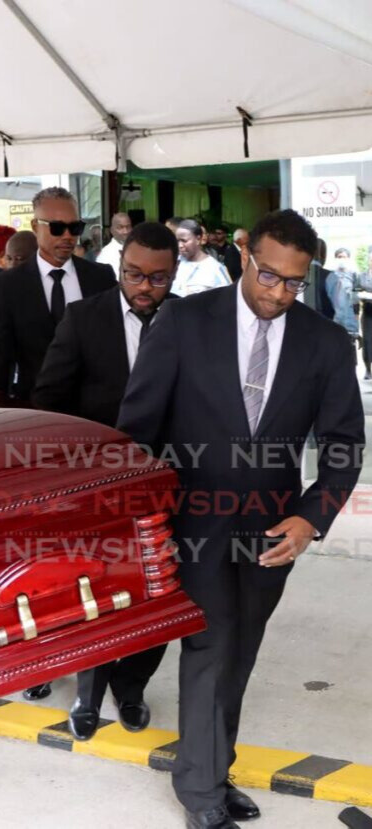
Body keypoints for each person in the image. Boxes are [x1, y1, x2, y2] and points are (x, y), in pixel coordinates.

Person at [118, 209, 364, 829]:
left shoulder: (326, 342)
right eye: (268, 276)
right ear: (246, 253)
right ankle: (200, 792)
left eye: (293, 283)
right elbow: (138, 429)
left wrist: (312, 519)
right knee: (210, 643)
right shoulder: (183, 320)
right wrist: (138, 523)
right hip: (190, 520)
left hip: (273, 527)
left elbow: (342, 446)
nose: (278, 293)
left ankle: (213, 768)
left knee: (241, 651)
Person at [34, 222, 180, 738]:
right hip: (96, 486)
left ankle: (133, 685)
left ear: (175, 272)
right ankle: (89, 696)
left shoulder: (191, 322)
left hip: (171, 486)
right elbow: (49, 402)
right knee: (96, 592)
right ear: (120, 266)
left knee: (162, 591)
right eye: (134, 274)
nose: (144, 287)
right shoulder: (83, 319)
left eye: (158, 279)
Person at [0, 186, 114, 401]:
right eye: (57, 228)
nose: (67, 236)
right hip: (34, 413)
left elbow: (113, 346)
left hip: (95, 410)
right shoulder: (7, 286)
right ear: (35, 226)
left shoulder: (101, 277)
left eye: (75, 227)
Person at [174, 219, 231, 296]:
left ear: (198, 239)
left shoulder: (216, 269)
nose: (180, 245)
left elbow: (227, 298)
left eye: (184, 241)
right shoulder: (173, 263)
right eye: (177, 241)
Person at [325, 246, 359, 345]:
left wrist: (356, 316)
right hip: (335, 320)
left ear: (349, 259)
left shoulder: (354, 275)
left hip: (350, 322)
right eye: (339, 257)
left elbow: (356, 297)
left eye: (344, 257)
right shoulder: (330, 276)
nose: (342, 260)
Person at [97, 212, 133, 278]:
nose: (126, 231)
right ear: (112, 230)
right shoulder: (105, 255)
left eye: (128, 227)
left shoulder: (138, 249)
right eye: (120, 227)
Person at [357, 247, 372, 379]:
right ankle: (368, 368)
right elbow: (356, 291)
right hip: (368, 312)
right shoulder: (362, 276)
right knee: (367, 341)